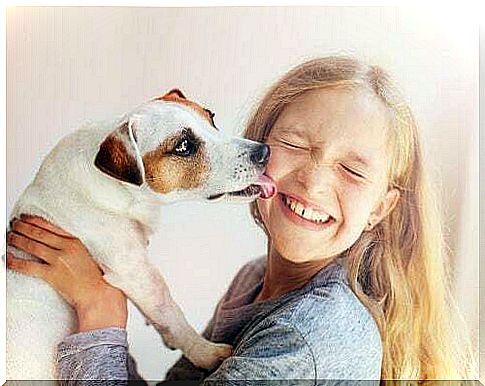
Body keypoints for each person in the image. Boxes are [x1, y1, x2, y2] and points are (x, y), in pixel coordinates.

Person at [6, 56, 476, 382]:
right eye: (294, 144)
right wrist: (94, 325)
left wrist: (99, 308)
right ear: (257, 145)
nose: (312, 183)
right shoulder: (254, 282)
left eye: (352, 170)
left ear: (381, 207)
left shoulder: (308, 341)